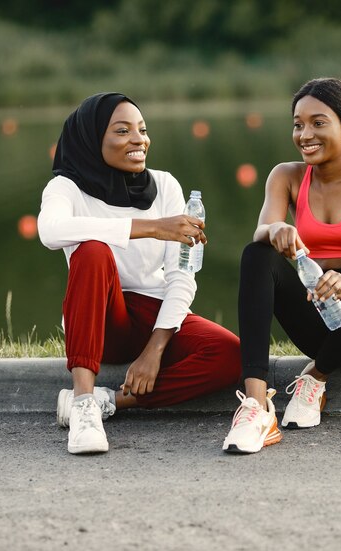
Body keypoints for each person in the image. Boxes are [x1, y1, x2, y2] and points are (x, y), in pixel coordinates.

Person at [222, 77, 341, 454]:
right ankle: (256, 406)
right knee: (257, 253)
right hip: (322, 320)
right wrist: (275, 229)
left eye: (318, 122)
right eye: (298, 124)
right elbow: (260, 232)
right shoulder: (286, 176)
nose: (304, 133)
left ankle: (315, 377)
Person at [38, 93, 241, 454]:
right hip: (102, 321)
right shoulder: (66, 187)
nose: (139, 140)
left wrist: (155, 349)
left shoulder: (165, 186)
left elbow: (181, 274)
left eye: (142, 130)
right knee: (93, 251)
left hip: (153, 313)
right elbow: (49, 231)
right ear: (92, 138)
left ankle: (109, 401)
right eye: (122, 131)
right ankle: (83, 406)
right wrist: (150, 227)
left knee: (229, 353)